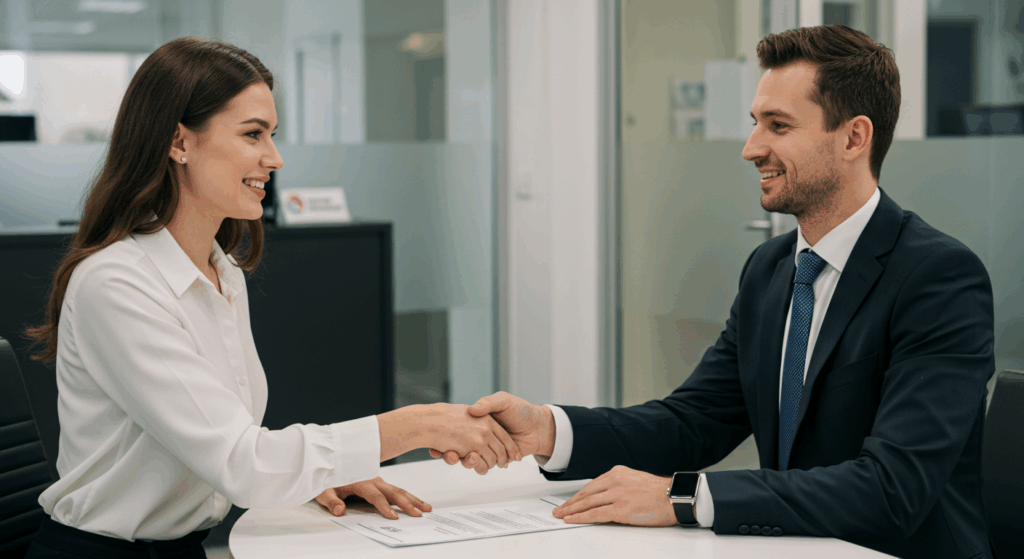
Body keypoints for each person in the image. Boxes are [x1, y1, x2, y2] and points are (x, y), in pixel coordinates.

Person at [433, 25, 994, 559]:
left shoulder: (938, 278)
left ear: (854, 137)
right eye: (755, 122)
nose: (751, 148)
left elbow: (892, 490)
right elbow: (693, 421)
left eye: (778, 125)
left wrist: (684, 498)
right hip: (795, 546)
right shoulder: (772, 269)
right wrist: (549, 431)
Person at [23, 37, 520, 559]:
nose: (275, 158)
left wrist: (313, 478)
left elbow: (221, 443)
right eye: (253, 135)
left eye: (273, 135)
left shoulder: (222, 270)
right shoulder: (116, 284)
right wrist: (413, 425)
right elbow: (242, 463)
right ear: (179, 143)